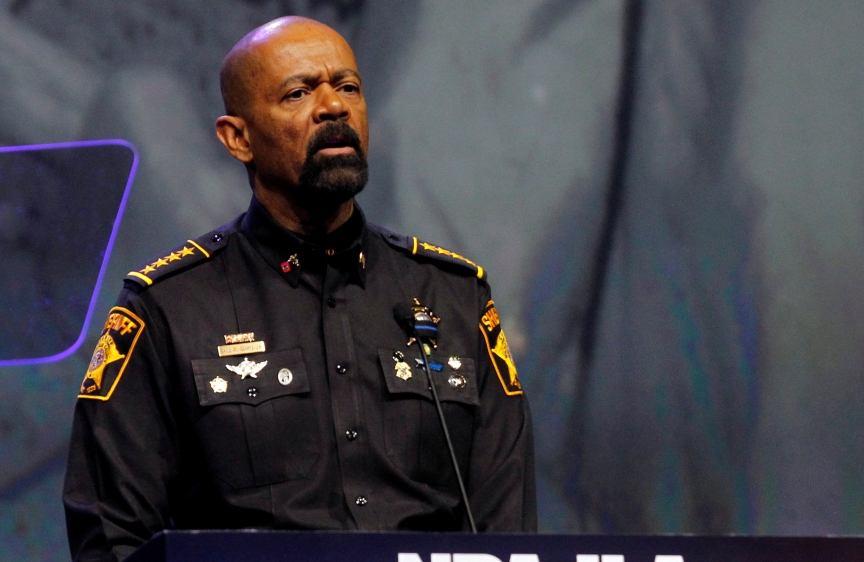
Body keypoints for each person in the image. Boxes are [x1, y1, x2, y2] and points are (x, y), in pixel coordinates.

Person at [63, 16, 536, 561]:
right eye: (298, 93)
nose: (333, 107)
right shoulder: (166, 307)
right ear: (237, 138)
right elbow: (110, 535)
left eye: (348, 88)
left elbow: (509, 534)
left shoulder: (455, 297)